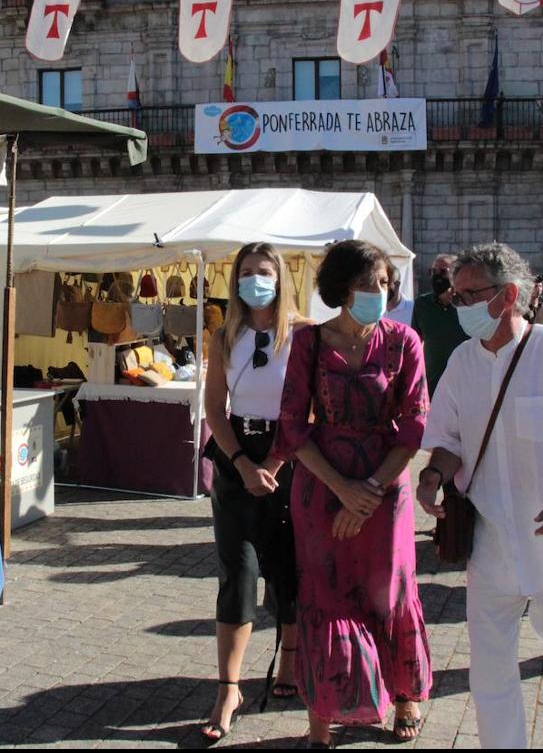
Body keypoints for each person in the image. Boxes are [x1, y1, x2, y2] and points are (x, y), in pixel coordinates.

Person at [419, 243, 543, 749]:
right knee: (489, 668)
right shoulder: (462, 362)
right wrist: (431, 476)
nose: (458, 304)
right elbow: (446, 441)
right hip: (489, 541)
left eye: (470, 294)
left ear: (508, 295)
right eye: (455, 294)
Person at [272, 240, 433, 747]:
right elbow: (293, 426)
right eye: (368, 284)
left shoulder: (405, 341)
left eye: (384, 283)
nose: (378, 292)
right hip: (322, 484)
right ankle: (322, 716)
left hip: (386, 484)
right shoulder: (310, 343)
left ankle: (404, 696)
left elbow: (414, 423)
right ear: (341, 287)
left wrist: (369, 491)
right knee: (324, 595)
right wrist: (343, 490)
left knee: (391, 592)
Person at [200, 243, 304, 742]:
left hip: (291, 455)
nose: (254, 280)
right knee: (237, 568)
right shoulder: (224, 335)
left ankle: (290, 661)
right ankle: (229, 687)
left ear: (280, 278)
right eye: (245, 272)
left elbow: (308, 409)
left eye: (263, 272)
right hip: (235, 452)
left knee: (289, 564)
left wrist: (276, 462)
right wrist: (242, 462)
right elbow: (215, 409)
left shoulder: (304, 334)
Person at [411, 253, 469, 395]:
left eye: (442, 271)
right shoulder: (421, 304)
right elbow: (415, 344)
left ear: (456, 274)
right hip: (433, 387)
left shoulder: (468, 303)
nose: (437, 276)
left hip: (466, 386)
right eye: (433, 271)